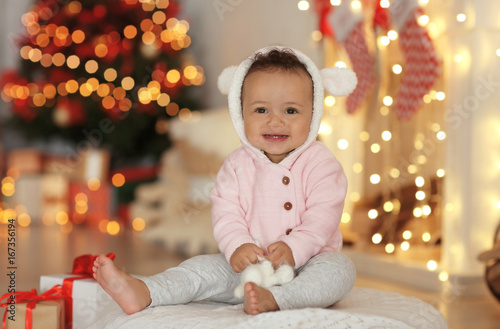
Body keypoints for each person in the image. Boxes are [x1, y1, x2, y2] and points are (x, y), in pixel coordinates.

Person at [93, 46, 357, 316]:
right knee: (201, 269)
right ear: (241, 114)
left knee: (340, 272)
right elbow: (226, 211)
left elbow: (323, 216)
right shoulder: (237, 165)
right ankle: (148, 291)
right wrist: (237, 245)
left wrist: (295, 247)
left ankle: (279, 298)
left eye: (290, 111)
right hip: (251, 266)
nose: (275, 121)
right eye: (261, 110)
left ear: (312, 115)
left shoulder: (321, 163)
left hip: (310, 262)